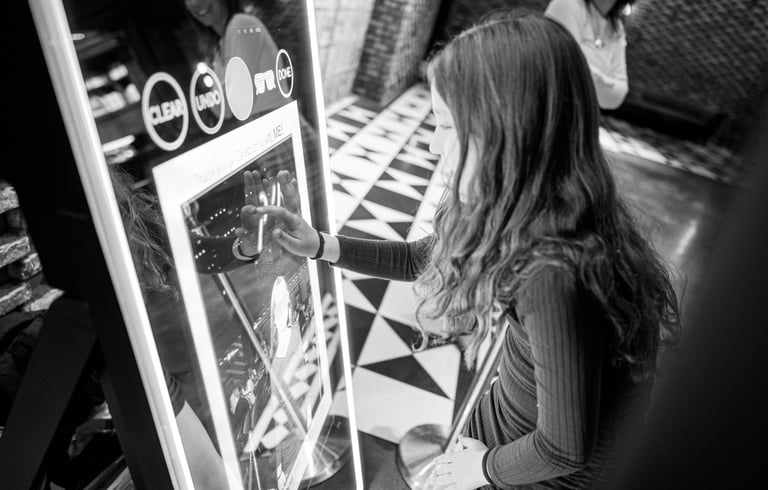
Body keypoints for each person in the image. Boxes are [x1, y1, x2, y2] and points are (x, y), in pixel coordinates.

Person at [248, 10, 680, 489]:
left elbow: (563, 448)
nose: (434, 145)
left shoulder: (553, 271)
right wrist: (322, 245)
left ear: (507, 133)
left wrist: (483, 468)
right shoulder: (542, 205)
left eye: (447, 126)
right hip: (510, 432)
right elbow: (422, 258)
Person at [544, 0, 633, 110]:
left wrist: (587, 73)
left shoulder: (617, 28)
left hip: (584, 115)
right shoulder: (567, 5)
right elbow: (566, 75)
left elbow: (617, 96)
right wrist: (606, 83)